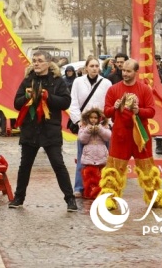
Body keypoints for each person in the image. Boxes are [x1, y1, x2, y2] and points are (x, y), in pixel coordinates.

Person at [98, 60, 162, 210]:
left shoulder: (145, 89)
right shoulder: (113, 89)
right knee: (114, 168)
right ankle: (109, 198)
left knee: (147, 168)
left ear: (136, 72)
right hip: (120, 135)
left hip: (140, 134)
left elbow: (151, 112)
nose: (125, 74)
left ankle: (156, 197)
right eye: (123, 71)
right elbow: (106, 112)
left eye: (128, 71)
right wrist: (114, 107)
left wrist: (138, 110)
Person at [10, 51, 77, 212]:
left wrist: (49, 97)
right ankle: (18, 198)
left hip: (50, 129)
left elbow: (66, 102)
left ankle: (70, 199)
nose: (36, 64)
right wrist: (26, 97)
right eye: (34, 61)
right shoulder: (28, 79)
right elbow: (16, 103)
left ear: (48, 63)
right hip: (30, 129)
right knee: (24, 166)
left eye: (39, 61)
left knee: (58, 164)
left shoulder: (57, 80)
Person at [68, 56, 111, 197]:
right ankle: (79, 187)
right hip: (85, 123)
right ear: (86, 67)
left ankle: (105, 185)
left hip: (102, 123)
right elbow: (73, 102)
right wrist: (79, 121)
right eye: (91, 66)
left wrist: (106, 122)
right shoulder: (78, 82)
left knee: (105, 156)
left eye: (96, 66)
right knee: (82, 156)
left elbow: (108, 104)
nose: (94, 68)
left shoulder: (106, 83)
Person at [78, 107, 111, 199]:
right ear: (88, 118)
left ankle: (100, 192)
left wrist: (100, 129)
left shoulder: (104, 127)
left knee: (101, 177)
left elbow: (108, 137)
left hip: (101, 156)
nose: (93, 120)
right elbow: (82, 139)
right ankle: (89, 193)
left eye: (95, 118)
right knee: (89, 178)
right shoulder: (84, 127)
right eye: (91, 117)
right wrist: (88, 130)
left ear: (99, 118)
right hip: (89, 156)